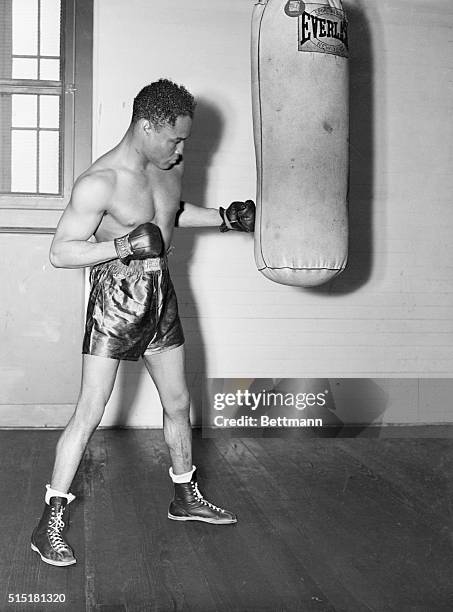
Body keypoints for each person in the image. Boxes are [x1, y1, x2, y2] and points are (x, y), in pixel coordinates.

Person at [31, 78, 255, 567]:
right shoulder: (101, 182)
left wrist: (226, 217)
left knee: (178, 402)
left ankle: (185, 496)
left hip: (162, 296)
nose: (181, 149)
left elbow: (171, 212)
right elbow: (60, 252)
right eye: (174, 138)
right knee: (90, 410)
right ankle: (49, 522)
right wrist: (122, 245)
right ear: (146, 126)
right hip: (116, 294)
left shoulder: (167, 165)